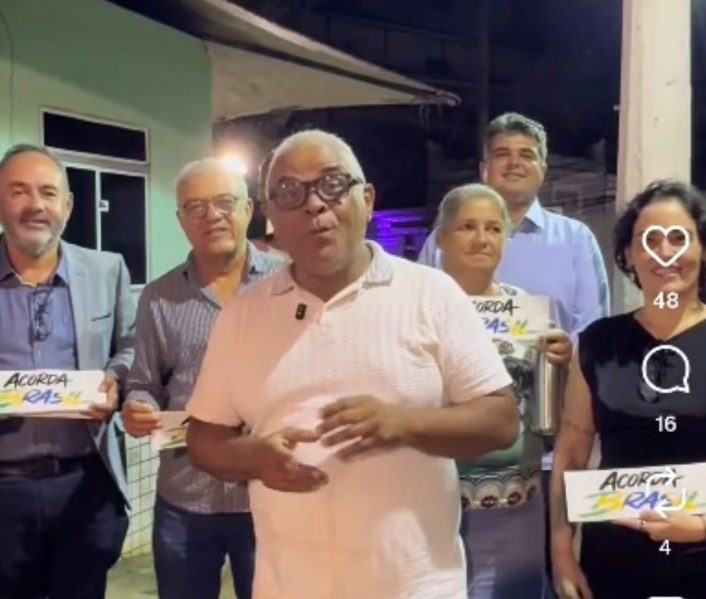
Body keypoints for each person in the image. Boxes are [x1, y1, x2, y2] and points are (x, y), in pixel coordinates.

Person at [185, 129, 520, 599]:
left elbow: (501, 421)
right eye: (290, 192)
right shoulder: (243, 315)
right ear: (270, 216)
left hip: (417, 587)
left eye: (332, 184)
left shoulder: (431, 294)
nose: (314, 205)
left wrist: (403, 424)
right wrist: (252, 458)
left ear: (367, 199)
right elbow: (203, 440)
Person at [121, 158, 284, 599]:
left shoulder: (288, 284)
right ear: (180, 220)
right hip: (185, 496)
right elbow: (144, 383)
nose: (211, 215)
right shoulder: (159, 296)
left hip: (268, 490)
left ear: (249, 209)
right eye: (195, 207)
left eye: (224, 202)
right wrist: (138, 407)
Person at [550, 180, 706, 599]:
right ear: (628, 254)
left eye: (679, 238)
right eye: (650, 240)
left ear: (704, 250)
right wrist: (561, 552)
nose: (665, 253)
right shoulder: (598, 342)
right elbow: (571, 453)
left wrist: (705, 524)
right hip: (615, 561)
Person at [0, 144, 135, 598]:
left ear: (68, 205)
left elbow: (131, 346)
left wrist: (116, 379)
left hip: (84, 486)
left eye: (48, 192)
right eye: (18, 191)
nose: (35, 205)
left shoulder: (107, 269)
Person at [435, 183, 571, 598]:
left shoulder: (524, 308)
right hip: (438, 504)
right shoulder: (418, 306)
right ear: (441, 237)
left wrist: (563, 363)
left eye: (494, 229)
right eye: (467, 227)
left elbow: (548, 414)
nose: (482, 239)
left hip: (519, 502)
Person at [418, 112, 609, 340]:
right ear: (484, 169)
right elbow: (418, 314)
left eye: (526, 155)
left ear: (543, 171)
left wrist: (569, 354)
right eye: (502, 154)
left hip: (553, 365)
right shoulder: (443, 239)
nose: (514, 163)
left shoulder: (576, 239)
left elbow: (593, 330)